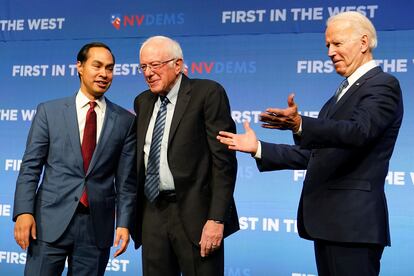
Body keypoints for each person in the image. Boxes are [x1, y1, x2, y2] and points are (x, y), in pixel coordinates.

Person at [217, 11, 403, 276]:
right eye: (328, 45)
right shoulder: (340, 94)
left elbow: (360, 131)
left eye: (337, 43)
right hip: (330, 223)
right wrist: (258, 148)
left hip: (352, 226)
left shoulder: (383, 85)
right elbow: (314, 155)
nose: (330, 52)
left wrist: (301, 124)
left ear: (363, 43)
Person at [13, 42, 137, 276]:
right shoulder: (49, 111)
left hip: (96, 227)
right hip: (48, 223)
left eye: (110, 68)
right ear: (79, 67)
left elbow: (126, 181)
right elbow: (31, 167)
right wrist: (23, 212)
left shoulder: (125, 121)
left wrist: (124, 223)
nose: (104, 74)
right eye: (97, 66)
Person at [131, 35, 239, 276]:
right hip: (152, 212)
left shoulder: (207, 93)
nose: (148, 73)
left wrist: (217, 219)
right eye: (144, 67)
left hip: (196, 215)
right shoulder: (142, 102)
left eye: (155, 65)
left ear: (177, 65)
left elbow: (224, 163)